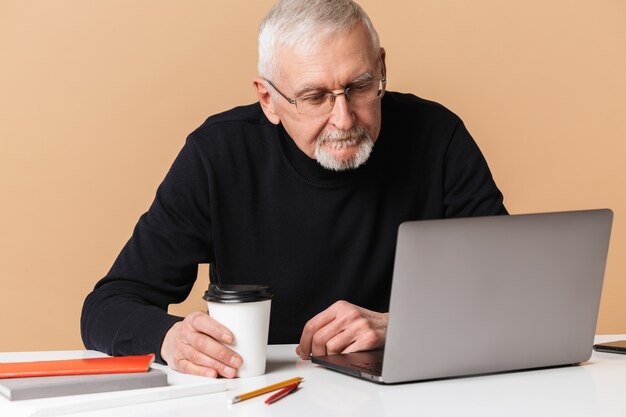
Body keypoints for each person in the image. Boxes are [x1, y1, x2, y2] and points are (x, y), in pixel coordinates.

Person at [81, 0, 507, 379]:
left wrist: (401, 325)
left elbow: (508, 291)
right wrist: (171, 339)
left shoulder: (437, 136)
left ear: (381, 66)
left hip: (410, 392)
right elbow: (107, 307)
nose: (343, 118)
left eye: (359, 86)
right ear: (267, 98)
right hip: (260, 394)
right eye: (315, 96)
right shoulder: (218, 153)